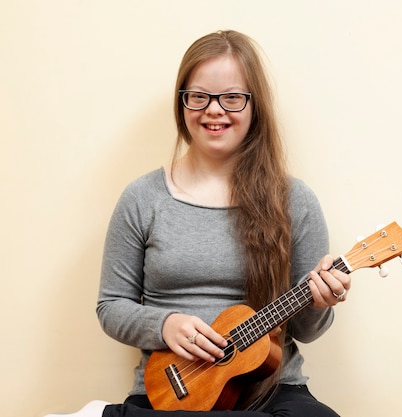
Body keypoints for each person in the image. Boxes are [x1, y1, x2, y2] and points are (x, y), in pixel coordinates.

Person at [45, 30, 349, 417]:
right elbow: (111, 306)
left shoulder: (295, 201)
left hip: (271, 391)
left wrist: (321, 300)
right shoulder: (142, 198)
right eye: (199, 96)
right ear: (182, 102)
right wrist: (164, 324)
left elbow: (307, 330)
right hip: (173, 393)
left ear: (255, 106)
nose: (214, 110)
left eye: (233, 97)